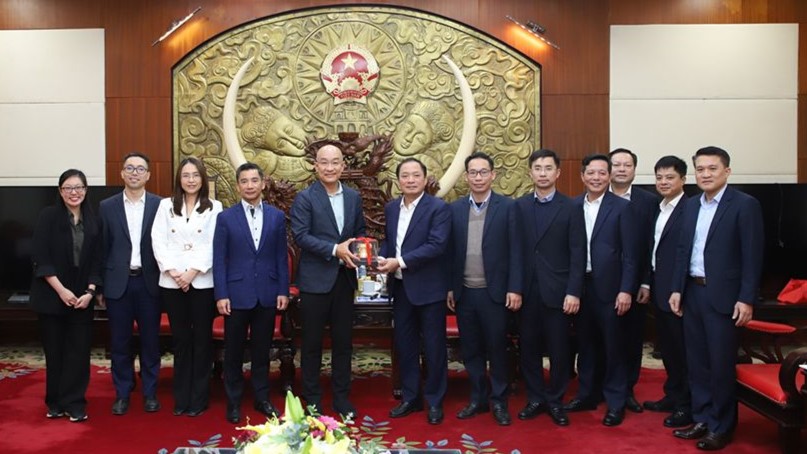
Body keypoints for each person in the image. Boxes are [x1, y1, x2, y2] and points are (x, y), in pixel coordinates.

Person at [669, 146, 763, 450]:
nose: (705, 174)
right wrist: (676, 289)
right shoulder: (692, 205)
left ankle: (722, 426)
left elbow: (752, 256)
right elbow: (683, 251)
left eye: (712, 168)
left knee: (721, 363)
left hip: (724, 297)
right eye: (700, 169)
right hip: (692, 292)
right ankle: (703, 417)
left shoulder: (744, 205)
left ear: (727, 171)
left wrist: (746, 298)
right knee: (696, 363)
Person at [446, 151, 522, 426]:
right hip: (465, 292)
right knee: (471, 350)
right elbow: (451, 253)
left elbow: (517, 251)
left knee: (497, 349)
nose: (478, 177)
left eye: (483, 172)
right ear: (466, 177)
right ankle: (478, 398)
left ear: (492, 175)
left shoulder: (508, 207)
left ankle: (499, 401)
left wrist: (515, 288)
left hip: (496, 293)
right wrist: (451, 288)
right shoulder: (454, 209)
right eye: (473, 173)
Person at [291, 144, 366, 418]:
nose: (330, 167)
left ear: (343, 166)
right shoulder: (305, 198)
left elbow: (359, 233)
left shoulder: (354, 198)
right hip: (314, 283)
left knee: (343, 344)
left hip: (344, 281)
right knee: (311, 345)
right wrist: (336, 250)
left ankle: (341, 398)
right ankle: (312, 400)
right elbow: (301, 236)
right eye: (325, 162)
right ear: (316, 165)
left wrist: (356, 252)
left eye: (336, 162)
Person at [213, 162, 289, 424]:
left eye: (254, 180)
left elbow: (281, 256)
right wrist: (221, 294)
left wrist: (282, 289)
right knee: (233, 353)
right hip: (235, 295)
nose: (249, 185)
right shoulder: (225, 218)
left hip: (267, 293)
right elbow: (219, 258)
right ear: (237, 186)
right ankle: (233, 401)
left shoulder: (276, 216)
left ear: (262, 183)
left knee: (261, 352)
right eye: (244, 181)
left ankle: (262, 398)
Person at [515, 149, 586, 427]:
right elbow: (515, 251)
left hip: (558, 292)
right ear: (530, 172)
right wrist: (515, 288)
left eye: (548, 168)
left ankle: (555, 400)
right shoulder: (518, 206)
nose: (542, 173)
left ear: (557, 173)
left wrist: (574, 291)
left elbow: (578, 253)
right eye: (537, 168)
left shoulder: (571, 207)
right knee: (529, 349)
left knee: (559, 351)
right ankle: (535, 398)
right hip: (527, 291)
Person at [378, 157, 451, 425]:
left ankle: (434, 400)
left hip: (429, 289)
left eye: (415, 175)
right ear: (399, 180)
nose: (410, 180)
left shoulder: (438, 208)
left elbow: (437, 245)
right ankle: (411, 398)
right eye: (405, 176)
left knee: (433, 347)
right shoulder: (391, 208)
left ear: (424, 178)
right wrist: (379, 259)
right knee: (405, 345)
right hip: (401, 288)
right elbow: (390, 241)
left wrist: (401, 262)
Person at [565, 154, 636, 427]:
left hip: (611, 288)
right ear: (583, 176)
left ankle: (616, 402)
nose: (596, 178)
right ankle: (587, 395)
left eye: (601, 173)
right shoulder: (571, 206)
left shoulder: (621, 207)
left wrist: (626, 290)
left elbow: (631, 254)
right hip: (581, 287)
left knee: (613, 347)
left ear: (609, 176)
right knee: (586, 345)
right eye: (591, 173)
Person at [151, 157, 222, 417]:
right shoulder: (165, 206)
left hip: (202, 281)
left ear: (202, 179)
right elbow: (158, 240)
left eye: (195, 175)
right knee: (181, 341)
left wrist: (192, 272)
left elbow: (215, 243)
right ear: (178, 179)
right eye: (186, 175)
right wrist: (174, 272)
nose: (190, 179)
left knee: (202, 340)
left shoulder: (215, 207)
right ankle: (181, 398)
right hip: (172, 282)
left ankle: (199, 398)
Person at [30, 169, 102, 423]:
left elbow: (97, 261)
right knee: (56, 352)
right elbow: (41, 258)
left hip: (82, 298)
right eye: (68, 188)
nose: (74, 193)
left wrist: (90, 292)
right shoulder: (48, 217)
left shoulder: (94, 220)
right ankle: (55, 402)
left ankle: (75, 403)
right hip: (52, 296)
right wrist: (61, 290)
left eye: (79, 187)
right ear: (60, 192)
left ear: (86, 190)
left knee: (79, 353)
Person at [99, 152, 162, 415]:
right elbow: (101, 248)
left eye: (140, 169)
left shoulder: (161, 205)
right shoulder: (107, 206)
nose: (134, 173)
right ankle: (122, 393)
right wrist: (100, 286)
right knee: (120, 343)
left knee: (151, 342)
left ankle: (149, 393)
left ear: (148, 175)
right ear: (122, 173)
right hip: (118, 284)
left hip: (150, 284)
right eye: (129, 168)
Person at [641, 155, 692, 428]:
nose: (663, 182)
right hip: (659, 289)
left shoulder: (690, 209)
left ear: (683, 180)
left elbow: (686, 255)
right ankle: (672, 396)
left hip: (677, 293)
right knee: (669, 349)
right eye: (659, 177)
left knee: (683, 351)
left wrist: (678, 289)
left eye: (669, 177)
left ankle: (686, 405)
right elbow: (654, 253)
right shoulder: (658, 208)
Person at [608, 148, 659, 413]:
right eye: (616, 164)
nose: (621, 169)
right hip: (602, 284)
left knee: (630, 338)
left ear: (634, 169)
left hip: (636, 283)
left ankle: (627, 389)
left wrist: (646, 282)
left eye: (627, 165)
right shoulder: (595, 197)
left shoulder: (649, 202)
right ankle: (603, 387)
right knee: (603, 339)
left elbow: (652, 245)